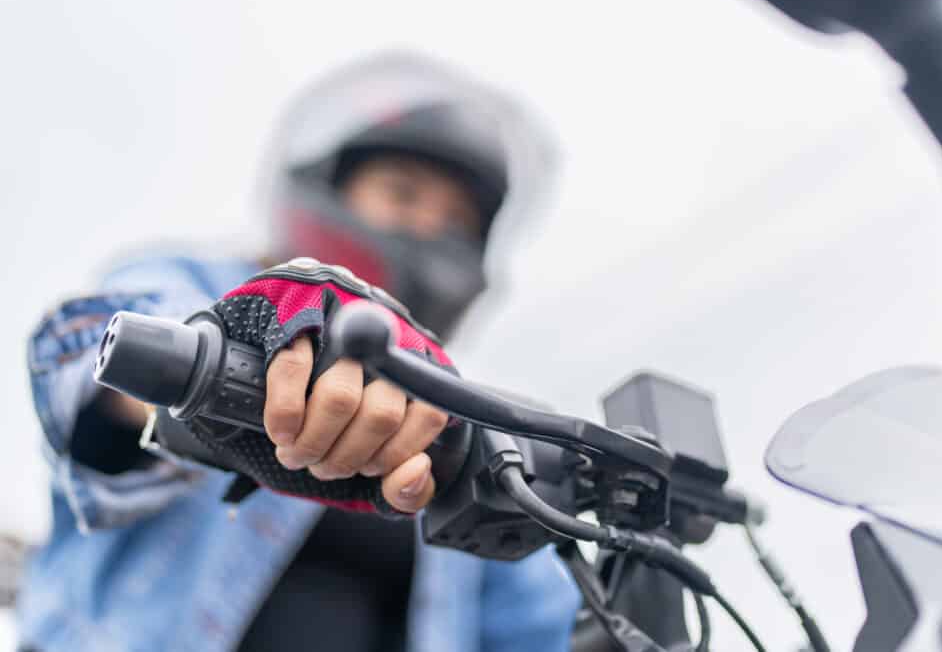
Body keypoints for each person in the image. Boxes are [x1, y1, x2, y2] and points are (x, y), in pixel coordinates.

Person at [18, 51, 580, 652]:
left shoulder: (458, 428)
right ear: (327, 188)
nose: (427, 227)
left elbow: (541, 624)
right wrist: (233, 347)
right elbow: (92, 358)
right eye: (402, 193)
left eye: (455, 220)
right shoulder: (198, 281)